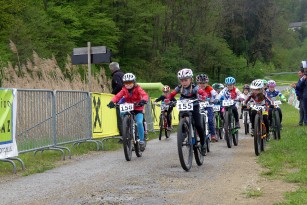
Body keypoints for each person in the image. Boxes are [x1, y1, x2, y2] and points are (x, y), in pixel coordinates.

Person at [167, 68, 208, 156]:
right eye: (182, 81)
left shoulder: (195, 87)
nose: (184, 82)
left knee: (198, 125)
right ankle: (183, 132)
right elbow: (172, 94)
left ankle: (203, 143)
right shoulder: (179, 88)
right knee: (181, 117)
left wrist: (204, 97)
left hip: (194, 105)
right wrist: (167, 100)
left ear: (191, 79)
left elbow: (203, 93)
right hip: (183, 106)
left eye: (186, 80)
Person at [107, 73, 149, 151]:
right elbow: (117, 96)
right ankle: (127, 129)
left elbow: (144, 95)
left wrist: (143, 100)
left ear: (134, 82)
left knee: (139, 122)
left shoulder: (138, 88)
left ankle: (142, 140)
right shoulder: (124, 90)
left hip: (138, 108)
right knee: (123, 114)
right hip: (129, 108)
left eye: (130, 83)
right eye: (126, 83)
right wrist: (112, 102)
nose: (128, 85)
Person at [196, 74, 218, 141]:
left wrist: (216, 99)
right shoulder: (196, 88)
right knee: (197, 120)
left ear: (207, 83)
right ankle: (197, 132)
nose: (202, 85)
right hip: (199, 106)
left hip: (208, 106)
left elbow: (216, 94)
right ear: (198, 83)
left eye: (204, 83)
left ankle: (213, 134)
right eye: (200, 83)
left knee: (210, 120)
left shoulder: (209, 88)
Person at [109, 62, 125, 138]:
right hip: (128, 98)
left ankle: (123, 136)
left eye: (110, 69)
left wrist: (113, 93)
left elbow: (119, 85)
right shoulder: (123, 74)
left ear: (112, 68)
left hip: (120, 98)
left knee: (120, 118)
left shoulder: (116, 75)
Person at [297, 60, 307, 126]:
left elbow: (299, 86)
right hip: (304, 96)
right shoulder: (304, 77)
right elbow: (299, 86)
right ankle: (305, 122)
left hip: (305, 95)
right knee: (304, 110)